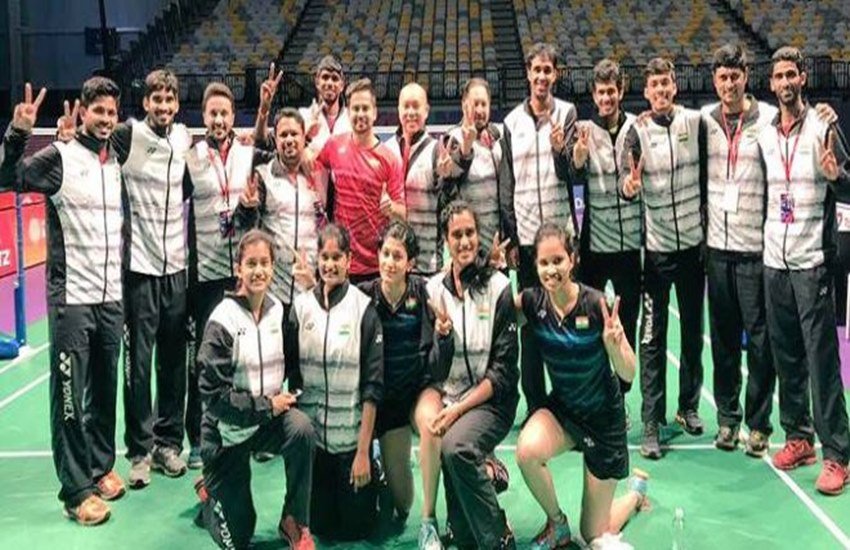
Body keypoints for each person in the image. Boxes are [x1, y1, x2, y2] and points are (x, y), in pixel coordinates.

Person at [1, 78, 124, 525]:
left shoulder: (115, 161)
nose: (105, 119)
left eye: (112, 112)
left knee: (104, 391)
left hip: (111, 296)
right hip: (72, 299)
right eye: (98, 111)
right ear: (83, 112)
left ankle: (100, 467)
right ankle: (75, 491)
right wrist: (18, 132)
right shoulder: (60, 157)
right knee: (70, 395)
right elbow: (8, 178)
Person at [515, 221, 648, 549]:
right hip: (565, 411)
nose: (551, 270)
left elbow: (629, 372)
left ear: (572, 259)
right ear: (536, 266)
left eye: (558, 260)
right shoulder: (532, 302)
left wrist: (615, 346)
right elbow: (491, 312)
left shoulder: (596, 304)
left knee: (593, 534)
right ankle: (557, 524)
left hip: (603, 421)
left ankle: (635, 495)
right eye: (544, 262)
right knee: (527, 451)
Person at [758, 46, 850, 495]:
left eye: (791, 74)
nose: (785, 82)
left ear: (803, 79)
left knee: (821, 360)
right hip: (774, 259)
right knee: (787, 354)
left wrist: (836, 177)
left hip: (812, 260)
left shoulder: (824, 126)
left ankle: (838, 454)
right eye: (778, 76)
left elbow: (848, 183)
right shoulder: (764, 133)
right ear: (771, 83)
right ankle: (798, 437)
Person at [196, 229, 316, 549]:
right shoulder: (222, 321)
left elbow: (293, 363)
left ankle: (293, 520)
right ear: (238, 269)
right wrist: (267, 406)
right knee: (238, 539)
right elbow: (213, 396)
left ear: (273, 267)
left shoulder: (278, 311)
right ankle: (210, 494)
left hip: (266, 423)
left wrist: (294, 399)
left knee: (302, 429)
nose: (258, 270)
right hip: (226, 434)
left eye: (265, 263)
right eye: (251, 263)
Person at [183, 81, 274, 469]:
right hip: (205, 274)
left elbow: (279, 149)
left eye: (224, 113)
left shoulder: (247, 152)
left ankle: (254, 429)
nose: (219, 119)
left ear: (233, 116)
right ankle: (198, 438)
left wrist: (265, 109)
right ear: (204, 117)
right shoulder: (190, 157)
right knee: (204, 362)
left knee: (249, 357)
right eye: (213, 113)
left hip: (243, 275)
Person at [621, 57, 707, 459]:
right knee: (652, 339)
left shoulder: (695, 122)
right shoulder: (636, 132)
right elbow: (626, 183)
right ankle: (652, 421)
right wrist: (629, 186)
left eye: (665, 84)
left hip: (693, 249)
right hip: (656, 255)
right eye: (653, 85)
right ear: (646, 92)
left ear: (674, 86)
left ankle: (687, 407)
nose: (660, 91)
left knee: (692, 334)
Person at [112, 69, 193, 485]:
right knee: (139, 367)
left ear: (176, 104)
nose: (163, 106)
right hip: (139, 270)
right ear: (145, 103)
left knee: (174, 363)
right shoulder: (128, 136)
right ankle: (140, 451)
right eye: (156, 99)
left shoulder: (183, 138)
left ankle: (168, 444)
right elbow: (94, 148)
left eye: (169, 99)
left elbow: (188, 188)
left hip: (176, 268)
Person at [423, 200, 519, 549]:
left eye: (470, 233)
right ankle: (484, 486)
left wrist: (459, 410)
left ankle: (499, 538)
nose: (464, 242)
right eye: (456, 235)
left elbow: (504, 372)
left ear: (479, 236)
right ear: (445, 240)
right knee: (463, 540)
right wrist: (443, 339)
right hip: (452, 399)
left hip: (493, 401)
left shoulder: (499, 287)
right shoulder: (433, 291)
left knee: (456, 446)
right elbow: (433, 369)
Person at [701, 44, 778, 456]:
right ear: (714, 80)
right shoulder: (704, 120)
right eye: (722, 77)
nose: (729, 84)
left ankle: (759, 424)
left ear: (746, 77)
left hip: (754, 250)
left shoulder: (768, 119)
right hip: (716, 249)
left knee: (761, 342)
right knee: (723, 340)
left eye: (735, 76)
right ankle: (728, 420)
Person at [288, 223, 384, 540]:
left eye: (337, 257)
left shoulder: (364, 309)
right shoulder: (300, 308)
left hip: (351, 448)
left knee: (358, 531)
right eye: (324, 257)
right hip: (316, 450)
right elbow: (291, 376)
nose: (330, 264)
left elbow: (372, 389)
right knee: (322, 529)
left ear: (349, 260)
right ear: (317, 259)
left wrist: (362, 452)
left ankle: (375, 463)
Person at [502, 43, 577, 421]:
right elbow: (508, 183)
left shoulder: (568, 113)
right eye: (537, 70)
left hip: (559, 242)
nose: (542, 77)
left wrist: (561, 151)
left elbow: (572, 174)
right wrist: (513, 237)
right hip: (529, 241)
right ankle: (535, 404)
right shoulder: (511, 122)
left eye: (548, 70)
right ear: (528, 74)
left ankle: (568, 400)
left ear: (555, 74)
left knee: (565, 322)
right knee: (531, 328)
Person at [356, 221, 444, 536]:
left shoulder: (422, 291)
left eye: (398, 256)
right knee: (398, 504)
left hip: (416, 392)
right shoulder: (363, 296)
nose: (390, 262)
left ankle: (429, 520)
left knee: (405, 503)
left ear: (410, 263)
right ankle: (378, 455)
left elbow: (454, 283)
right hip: (385, 403)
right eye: (385, 254)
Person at [566, 58, 641, 403]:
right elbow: (572, 175)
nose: (606, 98)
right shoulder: (584, 130)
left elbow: (634, 177)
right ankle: (596, 393)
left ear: (620, 91)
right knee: (591, 324)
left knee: (626, 323)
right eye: (601, 92)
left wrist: (631, 187)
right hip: (594, 246)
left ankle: (621, 396)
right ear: (593, 95)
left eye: (611, 91)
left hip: (629, 247)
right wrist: (579, 159)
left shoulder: (635, 128)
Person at [314, 78, 405, 282]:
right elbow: (316, 162)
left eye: (365, 108)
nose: (360, 114)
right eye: (355, 109)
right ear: (348, 113)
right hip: (342, 263)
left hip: (376, 266)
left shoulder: (389, 159)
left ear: (375, 112)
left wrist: (391, 209)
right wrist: (320, 197)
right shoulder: (334, 145)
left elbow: (403, 213)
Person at [238, 106, 324, 310]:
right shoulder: (262, 176)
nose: (289, 139)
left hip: (310, 289)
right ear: (275, 140)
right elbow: (247, 227)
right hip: (273, 293)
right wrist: (246, 208)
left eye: (294, 134)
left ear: (304, 138)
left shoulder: (319, 175)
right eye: (283, 135)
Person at [440, 77, 516, 257]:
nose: (480, 110)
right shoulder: (452, 139)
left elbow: (507, 193)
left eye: (484, 104)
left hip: (498, 245)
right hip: (467, 244)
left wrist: (511, 239)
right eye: (475, 104)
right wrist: (465, 150)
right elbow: (447, 190)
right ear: (464, 105)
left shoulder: (497, 137)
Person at [384, 82, 443, 275]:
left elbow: (447, 206)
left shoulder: (437, 151)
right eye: (406, 106)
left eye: (416, 106)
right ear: (398, 110)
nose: (410, 112)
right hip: (393, 262)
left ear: (426, 111)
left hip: (427, 263)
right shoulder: (386, 150)